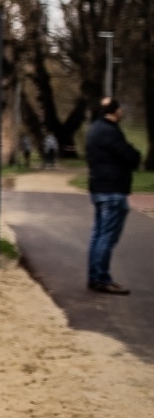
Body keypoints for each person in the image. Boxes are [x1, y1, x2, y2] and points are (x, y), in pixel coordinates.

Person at [84, 98, 140, 295]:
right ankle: (101, 278)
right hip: (113, 190)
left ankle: (95, 276)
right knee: (107, 236)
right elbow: (131, 156)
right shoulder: (111, 132)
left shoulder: (94, 130)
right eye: (120, 109)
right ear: (114, 111)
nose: (122, 112)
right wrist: (135, 155)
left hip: (99, 189)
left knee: (98, 234)